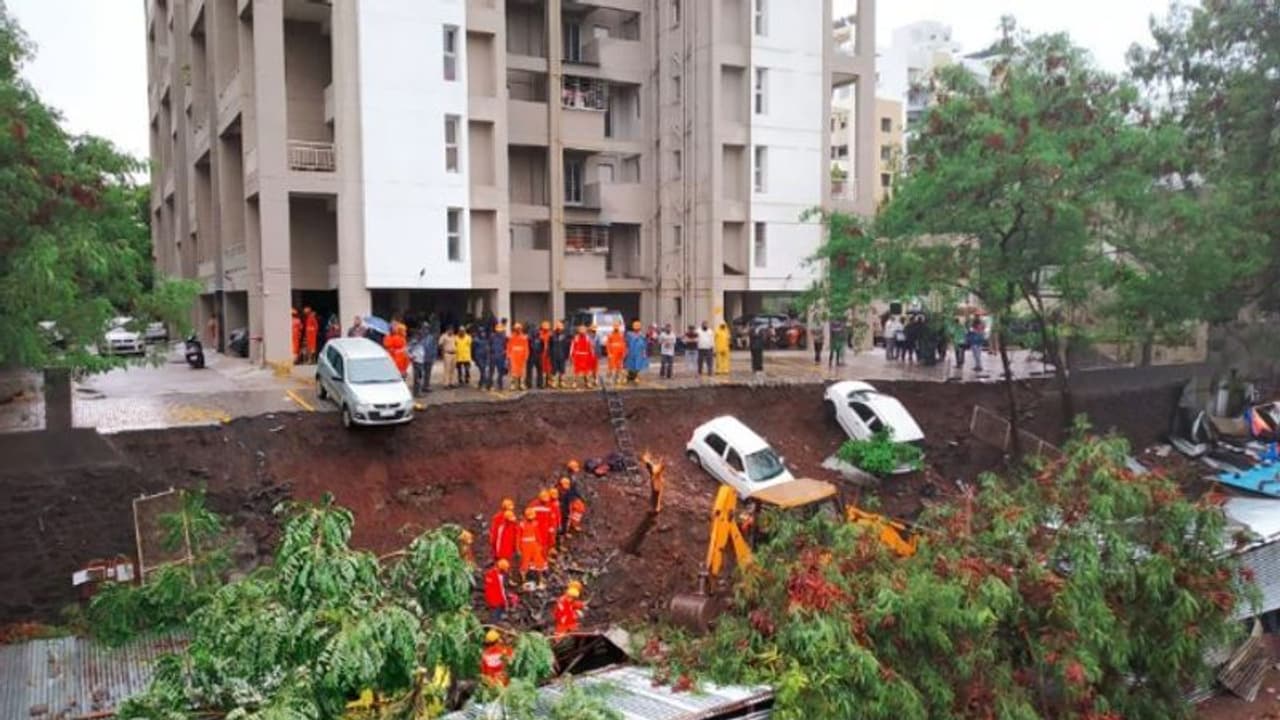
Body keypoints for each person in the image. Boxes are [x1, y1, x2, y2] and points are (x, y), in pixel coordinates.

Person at [518, 507, 546, 589]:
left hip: (534, 544)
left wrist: (540, 544)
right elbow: (518, 537)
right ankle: (524, 581)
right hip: (525, 545)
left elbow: (537, 535)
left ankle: (540, 580)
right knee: (525, 562)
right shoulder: (521, 525)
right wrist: (518, 548)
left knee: (539, 561)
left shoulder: (535, 524)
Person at [506, 323, 530, 391]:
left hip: (521, 356)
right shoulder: (511, 338)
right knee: (513, 371)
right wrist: (508, 355)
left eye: (518, 329)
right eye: (516, 329)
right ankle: (513, 384)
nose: (517, 330)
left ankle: (521, 384)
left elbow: (526, 347)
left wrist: (526, 355)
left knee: (522, 371)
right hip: (514, 356)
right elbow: (508, 347)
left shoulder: (524, 338)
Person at [408, 328, 431, 396]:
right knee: (417, 378)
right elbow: (407, 349)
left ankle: (418, 392)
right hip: (416, 362)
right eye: (420, 335)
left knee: (420, 377)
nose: (422, 336)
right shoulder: (414, 342)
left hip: (421, 361)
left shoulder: (421, 342)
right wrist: (411, 356)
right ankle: (417, 393)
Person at [549, 322, 570, 388]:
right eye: (558, 329)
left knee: (562, 370)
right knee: (554, 370)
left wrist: (566, 355)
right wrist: (550, 355)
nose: (559, 330)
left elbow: (567, 346)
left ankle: (562, 382)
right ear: (556, 329)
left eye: (560, 329)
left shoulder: (564, 336)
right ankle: (554, 382)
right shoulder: (552, 336)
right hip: (554, 355)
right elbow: (550, 346)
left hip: (562, 355)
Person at [473, 324, 493, 390]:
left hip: (485, 358)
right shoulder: (476, 340)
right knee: (483, 371)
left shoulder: (486, 340)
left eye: (483, 332)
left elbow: (488, 350)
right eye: (481, 332)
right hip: (479, 358)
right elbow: (472, 350)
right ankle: (487, 385)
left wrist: (488, 358)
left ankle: (480, 384)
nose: (483, 333)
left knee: (484, 372)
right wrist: (475, 359)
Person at [490, 323, 509, 390]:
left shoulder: (504, 338)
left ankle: (500, 384)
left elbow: (507, 347)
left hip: (501, 356)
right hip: (494, 355)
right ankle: (490, 385)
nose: (499, 331)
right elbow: (489, 345)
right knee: (491, 371)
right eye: (498, 330)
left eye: (500, 330)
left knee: (500, 371)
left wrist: (505, 353)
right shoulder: (492, 337)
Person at [527, 323, 546, 390]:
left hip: (538, 355)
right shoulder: (529, 339)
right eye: (534, 331)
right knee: (529, 370)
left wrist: (540, 353)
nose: (536, 332)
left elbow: (542, 347)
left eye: (536, 330)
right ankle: (529, 384)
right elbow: (527, 347)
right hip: (531, 355)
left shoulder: (540, 339)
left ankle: (540, 384)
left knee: (540, 370)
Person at [535, 322, 552, 389]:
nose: (546, 329)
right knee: (542, 368)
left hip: (548, 353)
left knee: (549, 368)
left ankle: (549, 382)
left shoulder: (550, 335)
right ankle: (542, 382)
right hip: (541, 353)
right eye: (544, 328)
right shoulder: (539, 334)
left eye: (547, 328)